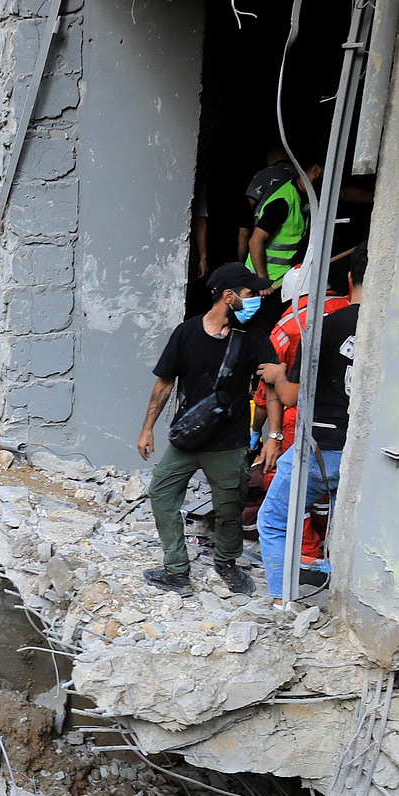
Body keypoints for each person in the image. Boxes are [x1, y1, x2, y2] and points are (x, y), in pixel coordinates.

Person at [138, 264, 281, 597]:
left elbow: (271, 388)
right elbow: (165, 382)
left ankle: (226, 563)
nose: (256, 299)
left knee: (230, 508)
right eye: (249, 294)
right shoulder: (186, 333)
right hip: (186, 438)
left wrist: (274, 437)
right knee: (161, 495)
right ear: (228, 297)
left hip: (229, 444)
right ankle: (176, 569)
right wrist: (148, 429)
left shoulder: (252, 337)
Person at [255, 248, 363, 600]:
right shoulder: (397, 328)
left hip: (318, 444)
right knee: (338, 521)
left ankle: (282, 599)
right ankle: (333, 585)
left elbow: (288, 396)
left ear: (350, 278)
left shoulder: (314, 326)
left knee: (273, 519)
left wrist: (278, 374)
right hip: (364, 447)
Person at [244, 150, 321, 284]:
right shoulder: (283, 202)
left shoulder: (305, 197)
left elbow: (345, 193)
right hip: (265, 282)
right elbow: (255, 242)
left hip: (283, 279)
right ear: (316, 170)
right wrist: (262, 279)